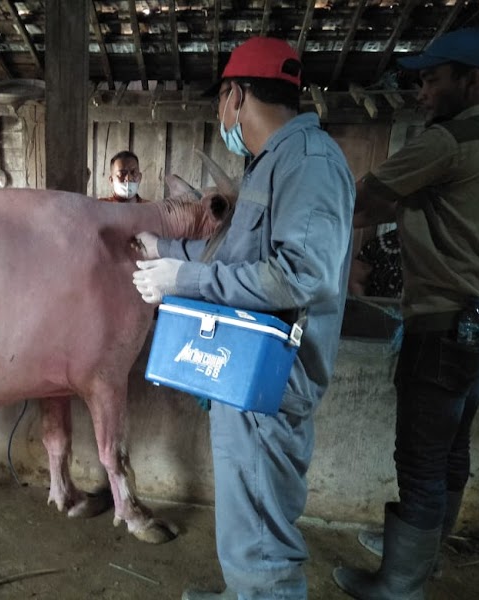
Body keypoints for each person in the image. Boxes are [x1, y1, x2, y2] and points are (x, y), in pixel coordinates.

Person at [132, 37, 355, 600]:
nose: (221, 113)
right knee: (246, 507)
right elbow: (236, 261)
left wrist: (181, 281)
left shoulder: (309, 163)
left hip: (273, 378)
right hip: (245, 371)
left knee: (260, 521)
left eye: (221, 100)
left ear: (235, 96)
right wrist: (164, 250)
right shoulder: (270, 164)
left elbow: (301, 276)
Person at [332, 27, 479, 599]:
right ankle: (425, 559)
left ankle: (401, 585)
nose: (422, 92)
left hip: (442, 319)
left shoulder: (448, 142)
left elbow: (357, 200)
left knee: (421, 459)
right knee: (452, 449)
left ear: (472, 80)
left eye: (433, 79)